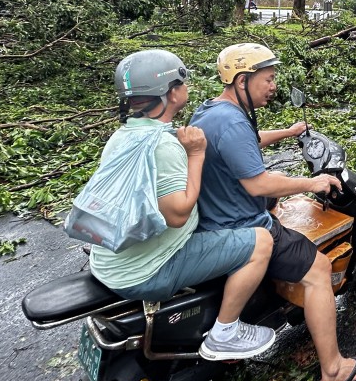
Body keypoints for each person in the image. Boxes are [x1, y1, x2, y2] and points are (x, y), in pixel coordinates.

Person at [191, 43, 356, 381]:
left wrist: (289, 133)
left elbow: (249, 140)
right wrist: (311, 183)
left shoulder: (212, 112)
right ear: (243, 80)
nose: (273, 86)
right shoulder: (231, 122)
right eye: (268, 79)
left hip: (215, 218)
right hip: (243, 223)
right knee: (319, 269)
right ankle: (333, 371)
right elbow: (258, 184)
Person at [89, 50, 277, 361]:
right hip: (144, 271)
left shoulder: (124, 136)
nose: (186, 86)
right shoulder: (165, 145)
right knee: (261, 242)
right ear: (172, 92)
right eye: (182, 80)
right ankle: (225, 333)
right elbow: (178, 214)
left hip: (108, 261)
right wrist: (197, 155)